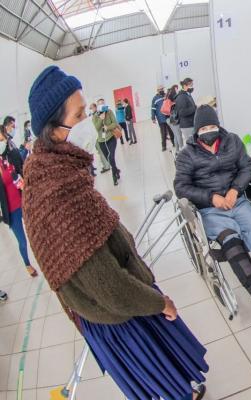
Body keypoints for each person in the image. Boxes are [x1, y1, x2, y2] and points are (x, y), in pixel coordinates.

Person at [24, 65, 208, 400]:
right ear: (55, 127)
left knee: (166, 375)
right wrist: (158, 302)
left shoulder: (54, 170)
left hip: (118, 305)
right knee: (158, 382)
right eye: (80, 115)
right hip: (118, 313)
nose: (89, 122)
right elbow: (107, 285)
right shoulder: (56, 192)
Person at [174, 105, 251, 319]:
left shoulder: (232, 141)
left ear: (218, 126)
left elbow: (247, 167)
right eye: (204, 129)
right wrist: (211, 197)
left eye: (213, 126)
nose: (209, 131)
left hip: (238, 201)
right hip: (210, 210)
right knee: (231, 242)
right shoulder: (187, 155)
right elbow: (181, 187)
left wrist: (235, 190)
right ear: (197, 132)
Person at [0, 126, 38, 278]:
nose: (1, 142)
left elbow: (21, 169)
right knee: (22, 241)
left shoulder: (10, 155)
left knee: (35, 232)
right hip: (11, 211)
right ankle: (27, 264)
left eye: (2, 139)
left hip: (24, 202)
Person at [92, 102, 121, 186]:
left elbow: (115, 123)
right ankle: (116, 170)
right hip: (101, 141)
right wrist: (101, 119)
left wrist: (108, 127)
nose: (104, 111)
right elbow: (97, 128)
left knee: (111, 157)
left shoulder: (109, 112)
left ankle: (114, 177)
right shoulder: (95, 116)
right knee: (109, 159)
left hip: (111, 138)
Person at [89, 103, 111, 175]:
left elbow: (97, 126)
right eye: (90, 108)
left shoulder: (97, 114)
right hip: (97, 136)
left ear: (95, 107)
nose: (91, 110)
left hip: (98, 136)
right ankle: (106, 165)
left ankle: (106, 166)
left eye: (92, 108)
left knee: (101, 152)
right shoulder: (95, 114)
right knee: (100, 152)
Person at [151, 85, 174, 151]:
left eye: (162, 89)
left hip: (168, 116)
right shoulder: (155, 98)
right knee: (163, 133)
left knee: (171, 131)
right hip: (161, 118)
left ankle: (174, 143)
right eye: (160, 89)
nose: (162, 90)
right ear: (157, 90)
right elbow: (153, 109)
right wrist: (153, 117)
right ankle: (164, 146)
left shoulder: (166, 95)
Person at [166, 85, 184, 152]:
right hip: (173, 120)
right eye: (176, 89)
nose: (177, 90)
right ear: (174, 90)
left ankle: (177, 151)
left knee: (176, 135)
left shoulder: (167, 98)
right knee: (179, 135)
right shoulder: (173, 99)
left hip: (169, 119)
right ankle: (182, 151)